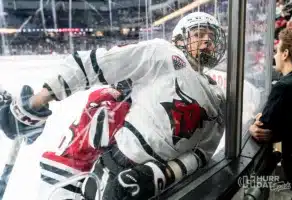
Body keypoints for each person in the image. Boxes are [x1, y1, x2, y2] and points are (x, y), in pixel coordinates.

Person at [0, 12, 226, 200]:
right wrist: (36, 101)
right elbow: (98, 64)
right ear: (180, 38)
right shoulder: (163, 53)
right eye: (198, 34)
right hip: (111, 166)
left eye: (210, 37)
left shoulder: (218, 96)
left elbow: (202, 153)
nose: (206, 41)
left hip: (155, 185)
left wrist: (161, 175)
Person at [249, 27, 292, 200]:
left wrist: (253, 124)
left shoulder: (284, 87)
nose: (275, 56)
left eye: (277, 51)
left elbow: (263, 126)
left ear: (285, 54)